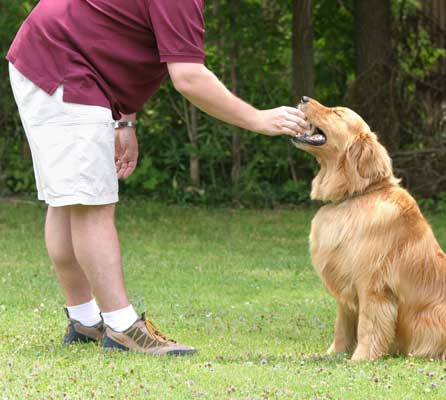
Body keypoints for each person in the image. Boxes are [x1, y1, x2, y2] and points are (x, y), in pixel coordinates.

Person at [6, 0, 309, 356]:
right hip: (63, 66)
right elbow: (189, 77)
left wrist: (125, 120)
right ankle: (121, 326)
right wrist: (258, 119)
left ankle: (85, 321)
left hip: (48, 57)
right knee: (89, 204)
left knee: (68, 200)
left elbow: (115, 37)